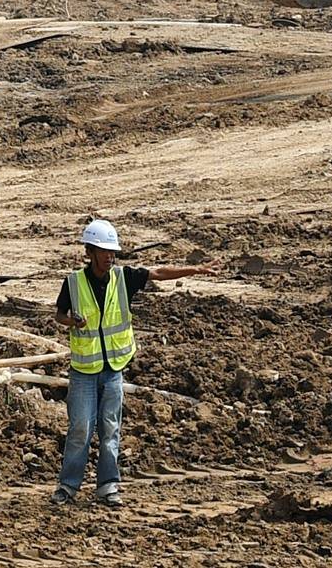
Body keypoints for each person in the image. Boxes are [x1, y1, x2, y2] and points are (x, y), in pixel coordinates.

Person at [50, 217, 215, 506]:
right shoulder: (73, 283)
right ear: (89, 252)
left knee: (110, 429)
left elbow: (159, 273)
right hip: (84, 371)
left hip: (113, 368)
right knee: (80, 429)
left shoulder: (123, 278)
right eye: (103, 251)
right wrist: (72, 322)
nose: (109, 257)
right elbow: (59, 315)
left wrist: (195, 269)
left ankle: (108, 486)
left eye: (112, 251)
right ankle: (68, 487)